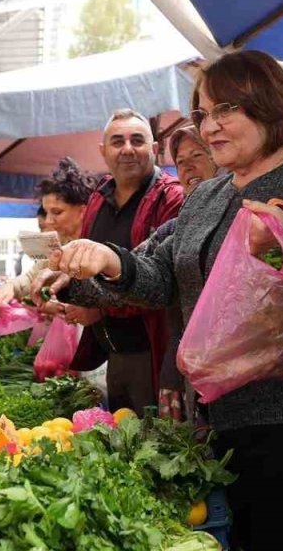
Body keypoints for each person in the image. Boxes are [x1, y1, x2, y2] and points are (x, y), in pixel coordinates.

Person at [44, 51, 283, 550]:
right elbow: (160, 276)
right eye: (203, 114)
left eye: (226, 110)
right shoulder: (206, 196)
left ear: (268, 107)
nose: (210, 127)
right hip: (209, 419)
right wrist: (108, 264)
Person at [63, 110, 184, 414]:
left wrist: (96, 305)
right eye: (118, 141)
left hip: (155, 350)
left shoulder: (171, 199)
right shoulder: (98, 198)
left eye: (137, 140)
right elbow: (87, 268)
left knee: (157, 442)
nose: (128, 149)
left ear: (154, 149)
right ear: (103, 151)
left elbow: (167, 282)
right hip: (111, 351)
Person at [0, 157, 99, 304]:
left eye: (57, 212)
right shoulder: (60, 245)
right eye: (47, 212)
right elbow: (33, 276)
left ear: (83, 211)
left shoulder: (101, 244)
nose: (48, 221)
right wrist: (11, 287)